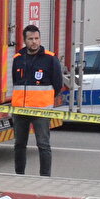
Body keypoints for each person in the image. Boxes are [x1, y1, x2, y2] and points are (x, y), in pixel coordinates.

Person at [11, 24, 63, 176]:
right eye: (30, 39)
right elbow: (16, 82)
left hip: (41, 110)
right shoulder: (18, 58)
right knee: (19, 144)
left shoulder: (50, 58)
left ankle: (44, 178)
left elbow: (58, 84)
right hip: (20, 110)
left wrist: (43, 100)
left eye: (36, 38)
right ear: (24, 40)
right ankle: (19, 175)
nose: (34, 42)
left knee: (43, 144)